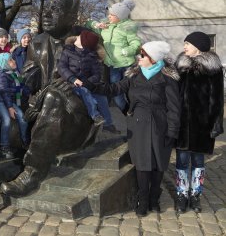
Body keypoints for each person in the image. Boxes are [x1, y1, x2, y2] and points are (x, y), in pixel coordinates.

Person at [1, 0, 101, 197]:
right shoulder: (37, 43)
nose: (46, 14)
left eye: (55, 9)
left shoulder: (87, 40)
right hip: (42, 112)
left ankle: (32, 172)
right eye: (46, 8)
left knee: (54, 97)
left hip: (76, 117)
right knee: (1, 110)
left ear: (71, 16)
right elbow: (28, 81)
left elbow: (98, 80)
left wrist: (60, 89)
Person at [84, 41, 181, 217]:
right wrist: (91, 84)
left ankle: (154, 198)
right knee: (142, 164)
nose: (139, 57)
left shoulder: (167, 79)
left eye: (142, 55)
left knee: (159, 164)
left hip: (160, 126)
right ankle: (143, 199)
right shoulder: (133, 77)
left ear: (153, 59)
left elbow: (174, 109)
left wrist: (172, 132)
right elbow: (113, 89)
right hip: (138, 126)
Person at [174, 32, 224, 213]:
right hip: (181, 123)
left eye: (187, 43)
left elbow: (217, 98)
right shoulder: (180, 66)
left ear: (198, 46)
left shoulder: (213, 68)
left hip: (202, 124)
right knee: (181, 160)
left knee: (197, 160)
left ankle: (195, 195)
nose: (184, 47)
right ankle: (181, 194)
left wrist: (216, 122)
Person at [85, 0, 142, 113]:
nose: (109, 16)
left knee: (130, 92)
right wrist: (96, 24)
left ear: (119, 17)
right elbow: (87, 23)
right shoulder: (105, 25)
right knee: (116, 95)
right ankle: (127, 112)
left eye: (112, 15)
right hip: (113, 67)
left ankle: (136, 112)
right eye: (109, 14)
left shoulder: (127, 27)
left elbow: (136, 43)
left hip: (127, 66)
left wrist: (127, 50)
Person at [57, 31, 105, 126]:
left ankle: (95, 116)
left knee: (89, 94)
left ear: (84, 44)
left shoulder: (92, 57)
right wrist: (72, 79)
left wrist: (86, 82)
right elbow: (62, 67)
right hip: (67, 80)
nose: (76, 37)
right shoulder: (68, 51)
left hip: (84, 84)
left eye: (79, 37)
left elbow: (97, 74)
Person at [0, 53, 30, 158]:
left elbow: (22, 86)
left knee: (23, 118)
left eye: (12, 59)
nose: (13, 61)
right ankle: (4, 146)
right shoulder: (2, 75)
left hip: (10, 99)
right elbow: (4, 92)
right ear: (4, 64)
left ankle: (25, 141)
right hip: (0, 100)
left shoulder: (15, 73)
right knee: (7, 120)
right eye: (10, 60)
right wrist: (10, 108)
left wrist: (30, 93)